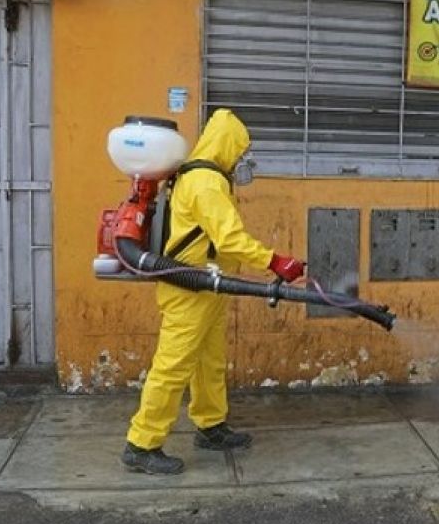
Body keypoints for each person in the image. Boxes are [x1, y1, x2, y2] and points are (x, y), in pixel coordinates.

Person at [121, 109, 305, 475]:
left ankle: (210, 425)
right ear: (227, 146)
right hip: (189, 288)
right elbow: (230, 239)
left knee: (209, 361)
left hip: (207, 285)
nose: (240, 161)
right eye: (239, 152)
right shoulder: (206, 181)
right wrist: (275, 260)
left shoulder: (195, 174)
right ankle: (141, 443)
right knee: (173, 366)